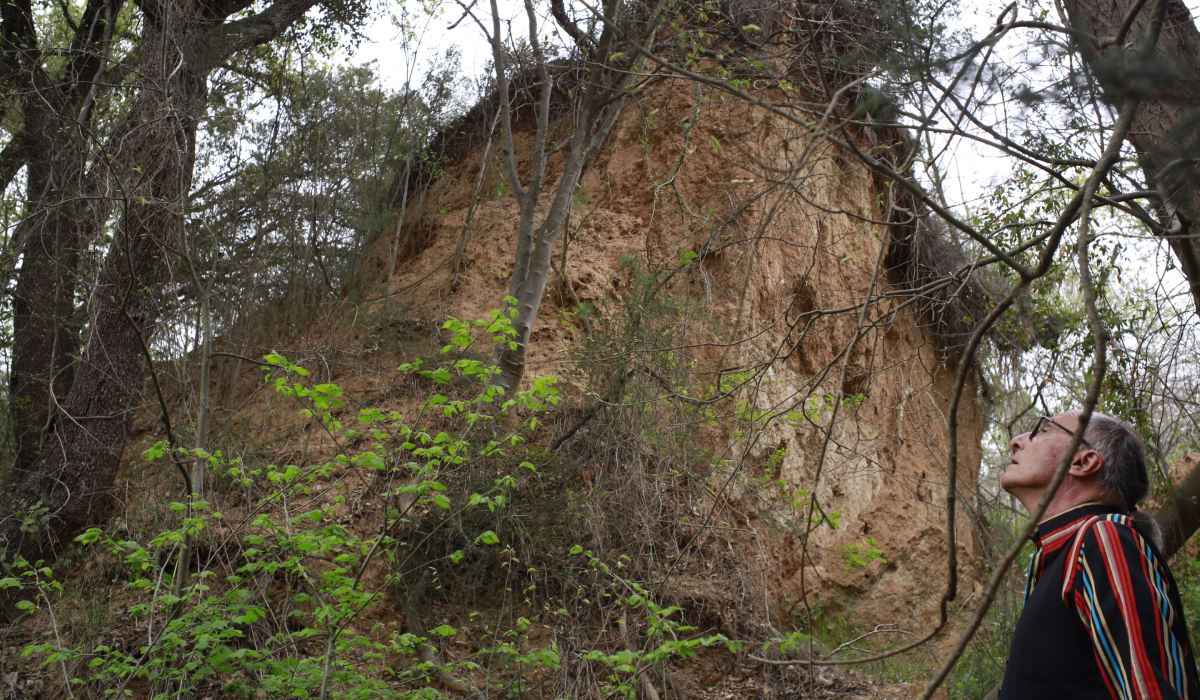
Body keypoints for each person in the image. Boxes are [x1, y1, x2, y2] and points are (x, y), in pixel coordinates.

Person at [999, 410, 1200, 699]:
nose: (1017, 441)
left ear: (1084, 461)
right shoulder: (1056, 558)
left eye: (1042, 431)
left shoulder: (1104, 538)